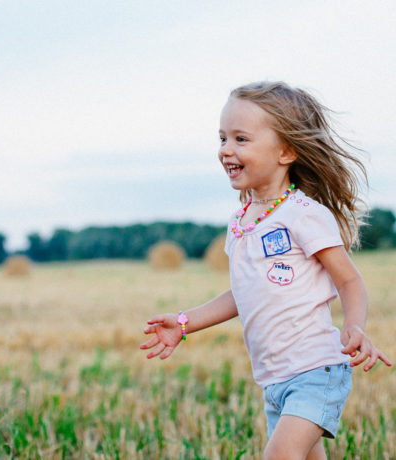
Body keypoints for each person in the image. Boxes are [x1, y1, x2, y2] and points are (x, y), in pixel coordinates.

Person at [140, 81, 392, 460]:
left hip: (315, 371)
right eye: (222, 138)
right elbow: (243, 292)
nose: (226, 149)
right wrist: (185, 321)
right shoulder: (241, 221)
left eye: (241, 139)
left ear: (286, 151)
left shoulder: (305, 215)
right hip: (274, 380)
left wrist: (354, 326)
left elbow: (349, 279)